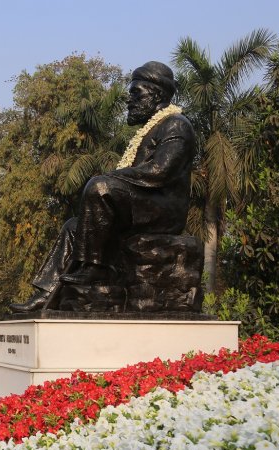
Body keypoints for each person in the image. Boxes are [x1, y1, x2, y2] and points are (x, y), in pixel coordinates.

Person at [10, 61, 196, 313]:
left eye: (135, 93)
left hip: (162, 208)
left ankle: (94, 268)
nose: (129, 101)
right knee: (75, 226)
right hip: (143, 202)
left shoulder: (176, 124)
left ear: (158, 95)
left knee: (101, 187)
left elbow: (160, 172)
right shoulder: (150, 128)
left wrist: (112, 180)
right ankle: (46, 293)